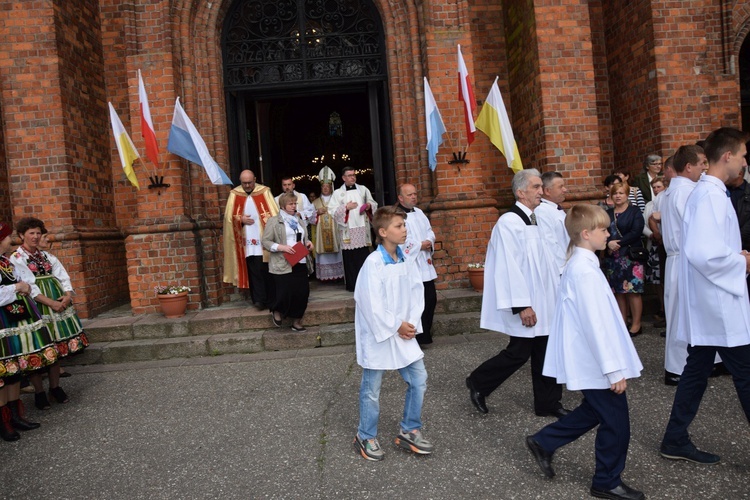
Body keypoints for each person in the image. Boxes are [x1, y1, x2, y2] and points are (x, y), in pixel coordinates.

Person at [526, 205, 644, 500]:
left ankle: (545, 441)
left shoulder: (584, 264)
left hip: (592, 359)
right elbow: (596, 325)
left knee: (596, 410)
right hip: (595, 361)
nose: (608, 233)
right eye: (604, 229)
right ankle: (606, 481)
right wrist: (613, 369)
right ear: (586, 234)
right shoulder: (584, 271)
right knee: (616, 423)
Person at [660, 128, 750, 466]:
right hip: (719, 304)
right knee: (746, 373)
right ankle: (675, 437)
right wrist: (741, 261)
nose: (744, 161)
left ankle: (675, 437)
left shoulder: (709, 192)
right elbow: (702, 253)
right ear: (727, 156)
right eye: (742, 155)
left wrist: (733, 254)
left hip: (712, 300)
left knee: (696, 370)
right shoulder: (710, 195)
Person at [465, 169, 568, 418]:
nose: (541, 191)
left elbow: (550, 256)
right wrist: (522, 305)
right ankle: (479, 382)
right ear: (521, 192)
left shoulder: (537, 219)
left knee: (546, 351)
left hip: (546, 298)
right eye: (535, 187)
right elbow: (507, 267)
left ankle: (548, 403)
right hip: (528, 301)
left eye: (541, 187)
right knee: (519, 352)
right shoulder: (509, 222)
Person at [353, 205, 432, 461]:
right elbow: (369, 302)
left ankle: (409, 429)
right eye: (399, 226)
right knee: (372, 390)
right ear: (383, 232)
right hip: (380, 334)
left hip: (403, 332)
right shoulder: (373, 263)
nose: (405, 230)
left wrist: (410, 323)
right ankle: (365, 435)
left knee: (418, 379)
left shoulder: (406, 260)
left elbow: (416, 292)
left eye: (405, 225)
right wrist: (395, 324)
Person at [10, 217, 89, 409]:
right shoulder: (17, 258)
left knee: (55, 346)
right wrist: (51, 303)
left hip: (57, 303)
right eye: (31, 233)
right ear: (22, 235)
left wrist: (68, 295)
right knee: (38, 348)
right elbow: (29, 287)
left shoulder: (46, 256)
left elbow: (62, 274)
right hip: (36, 306)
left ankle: (55, 387)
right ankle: (39, 392)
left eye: (38, 233)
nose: (36, 237)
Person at [659, 146, 707, 386]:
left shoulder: (671, 191)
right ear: (688, 166)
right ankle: (677, 367)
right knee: (681, 315)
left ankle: (691, 363)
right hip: (685, 257)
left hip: (677, 257)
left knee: (681, 312)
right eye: (701, 163)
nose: (704, 169)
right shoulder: (687, 191)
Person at [0, 221, 51, 441]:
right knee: (4, 371)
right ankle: (3, 422)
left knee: (14, 371)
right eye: (6, 236)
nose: (9, 239)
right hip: (2, 322)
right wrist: (17, 288)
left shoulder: (4, 261)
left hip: (12, 318)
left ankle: (15, 415)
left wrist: (23, 284)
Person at [223, 170, 278, 309]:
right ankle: (259, 300)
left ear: (255, 179)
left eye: (249, 182)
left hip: (263, 238)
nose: (247, 185)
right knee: (254, 269)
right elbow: (228, 219)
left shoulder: (264, 192)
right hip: (246, 241)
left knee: (266, 269)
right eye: (244, 183)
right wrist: (240, 219)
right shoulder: (234, 194)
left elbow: (274, 213)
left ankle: (272, 299)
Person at [262, 192, 314, 332]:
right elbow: (265, 242)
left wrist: (308, 243)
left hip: (300, 260)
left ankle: (297, 322)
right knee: (285, 292)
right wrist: (282, 247)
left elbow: (304, 238)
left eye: (295, 203)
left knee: (302, 293)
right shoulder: (274, 221)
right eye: (291, 204)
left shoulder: (299, 220)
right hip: (282, 261)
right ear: (283, 206)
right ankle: (277, 310)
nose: (294, 206)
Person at [397, 183, 437, 346]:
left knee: (430, 300)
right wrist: (418, 246)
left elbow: (430, 231)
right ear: (400, 198)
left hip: (425, 263)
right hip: (411, 265)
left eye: (415, 194)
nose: (414, 197)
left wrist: (429, 241)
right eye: (409, 195)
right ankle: (418, 336)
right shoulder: (397, 216)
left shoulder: (420, 213)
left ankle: (425, 334)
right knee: (416, 302)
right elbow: (399, 238)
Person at [604, 182, 646, 337]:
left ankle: (636, 324)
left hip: (630, 257)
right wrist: (608, 243)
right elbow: (602, 230)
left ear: (627, 194)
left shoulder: (634, 211)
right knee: (619, 291)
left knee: (633, 291)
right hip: (613, 258)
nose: (617, 196)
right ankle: (622, 321)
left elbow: (637, 231)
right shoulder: (608, 213)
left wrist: (618, 243)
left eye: (621, 193)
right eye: (615, 193)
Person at [327, 166, 378, 291]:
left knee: (363, 257)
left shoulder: (363, 189)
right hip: (347, 231)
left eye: (354, 175)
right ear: (344, 178)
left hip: (362, 228)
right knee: (350, 259)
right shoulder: (338, 193)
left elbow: (373, 203)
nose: (352, 177)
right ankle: (353, 285)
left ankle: (366, 284)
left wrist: (368, 206)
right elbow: (331, 211)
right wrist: (346, 207)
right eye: (349, 176)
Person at [312, 167, 344, 282]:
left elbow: (343, 214)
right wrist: (317, 213)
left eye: (327, 186)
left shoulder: (337, 201)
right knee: (324, 256)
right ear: (321, 188)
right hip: (321, 235)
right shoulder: (315, 203)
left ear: (331, 187)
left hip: (335, 233)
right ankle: (325, 278)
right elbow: (309, 219)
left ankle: (338, 276)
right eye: (323, 186)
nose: (325, 188)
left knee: (337, 252)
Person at [642, 176, 666, 322]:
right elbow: (645, 222)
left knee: (665, 278)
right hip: (654, 244)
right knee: (657, 280)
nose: (656, 190)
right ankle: (662, 306)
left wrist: (662, 236)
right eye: (654, 187)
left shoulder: (667, 201)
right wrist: (652, 234)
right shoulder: (649, 205)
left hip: (666, 243)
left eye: (659, 186)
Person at [536, 171, 569, 273]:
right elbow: (550, 243)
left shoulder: (555, 208)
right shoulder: (541, 211)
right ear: (547, 191)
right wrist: (563, 267)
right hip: (559, 269)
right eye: (560, 187)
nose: (565, 190)